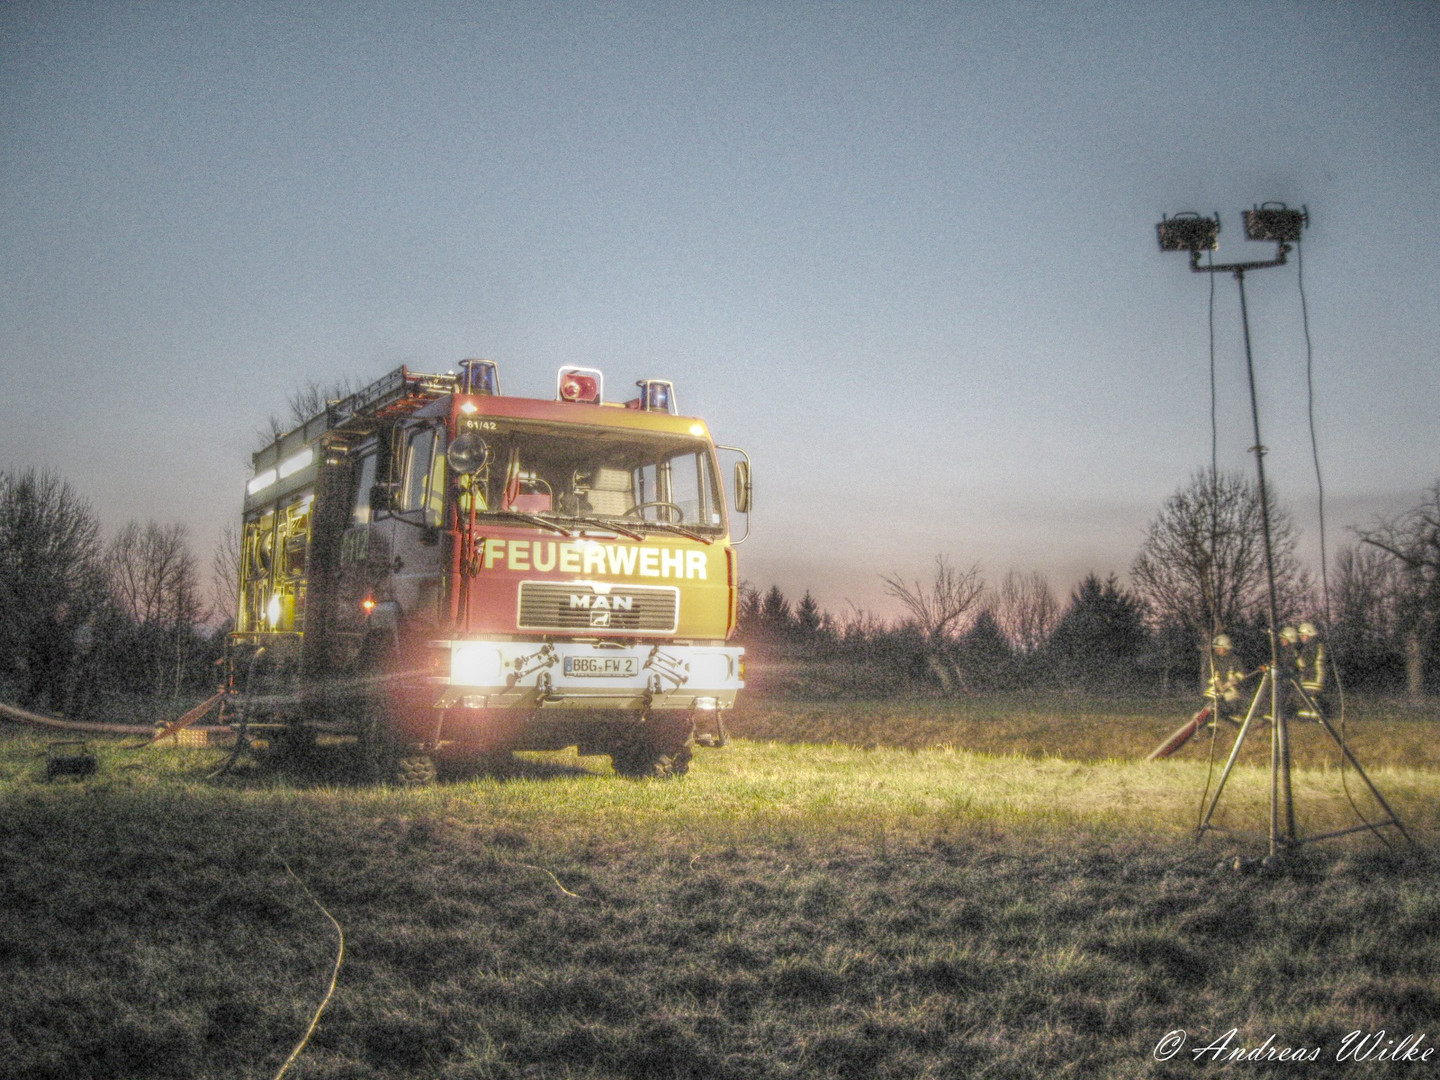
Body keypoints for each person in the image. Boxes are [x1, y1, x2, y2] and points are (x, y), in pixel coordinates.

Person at [1205, 633, 1249, 725]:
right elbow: (1209, 674)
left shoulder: (1235, 659)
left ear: (1227, 647)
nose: (1217, 650)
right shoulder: (1213, 660)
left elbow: (1241, 673)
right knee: (1210, 696)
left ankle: (1235, 715)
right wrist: (1217, 682)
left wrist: (1233, 681)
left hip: (1232, 688)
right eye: (1215, 648)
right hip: (1218, 687)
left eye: (1219, 647)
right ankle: (1212, 720)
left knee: (1231, 698)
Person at [1294, 621, 1327, 720]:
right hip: (1312, 675)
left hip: (1314, 676)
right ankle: (1309, 717)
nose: (1301, 638)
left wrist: (1296, 658)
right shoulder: (1316, 645)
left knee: (1310, 697)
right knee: (1309, 697)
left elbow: (1304, 662)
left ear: (1309, 634)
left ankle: (1316, 717)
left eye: (1303, 635)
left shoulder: (1312, 646)